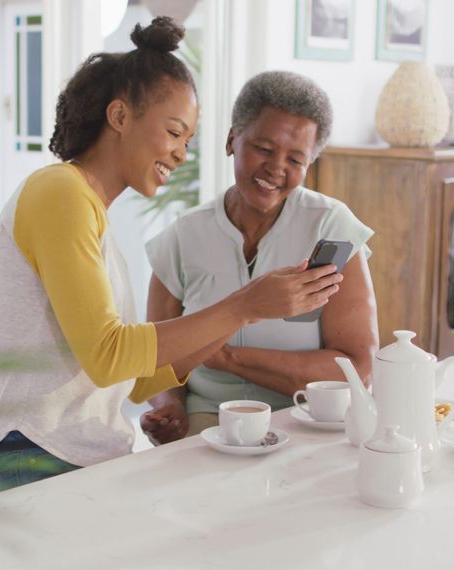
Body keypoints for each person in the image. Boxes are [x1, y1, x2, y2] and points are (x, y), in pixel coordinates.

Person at [0, 20, 344, 498]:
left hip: (81, 457)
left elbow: (135, 380)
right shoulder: (58, 192)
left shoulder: (93, 216)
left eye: (187, 140)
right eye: (174, 131)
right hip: (34, 458)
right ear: (120, 116)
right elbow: (109, 357)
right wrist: (245, 305)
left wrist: (246, 315)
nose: (181, 153)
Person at [140, 71, 379, 444]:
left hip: (305, 420)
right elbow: (154, 358)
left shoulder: (332, 228)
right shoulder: (184, 236)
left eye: (296, 159)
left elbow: (357, 369)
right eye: (264, 149)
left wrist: (226, 358)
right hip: (210, 422)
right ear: (232, 139)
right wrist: (169, 404)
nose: (276, 168)